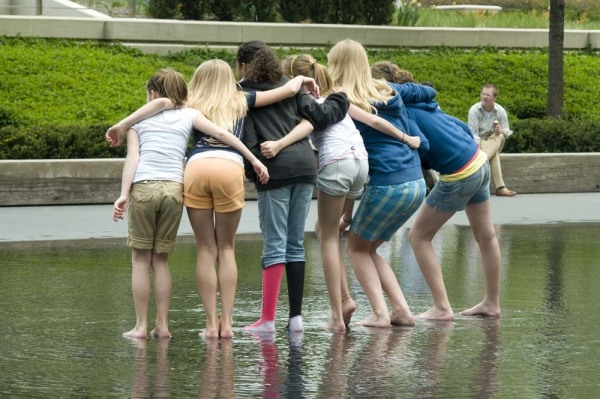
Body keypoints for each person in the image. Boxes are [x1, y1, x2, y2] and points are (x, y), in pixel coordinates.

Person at [108, 62, 320, 339]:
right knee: (227, 248)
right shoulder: (242, 98)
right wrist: (303, 77)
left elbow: (160, 103)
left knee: (206, 249)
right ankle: (228, 324)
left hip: (197, 167)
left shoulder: (190, 102)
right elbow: (287, 90)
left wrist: (122, 126)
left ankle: (210, 325)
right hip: (230, 167)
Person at [259, 54, 421, 333]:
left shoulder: (306, 102)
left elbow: (309, 125)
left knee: (327, 239)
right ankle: (345, 300)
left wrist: (278, 143)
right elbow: (374, 122)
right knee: (328, 228)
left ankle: (338, 312)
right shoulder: (338, 97)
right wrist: (407, 138)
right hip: (361, 163)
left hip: (336, 163)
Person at [371, 62, 502, 320]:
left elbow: (424, 144)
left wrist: (420, 159)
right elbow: (459, 126)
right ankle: (491, 303)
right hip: (477, 160)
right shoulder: (424, 101)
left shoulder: (401, 111)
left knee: (418, 236)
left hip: (460, 173)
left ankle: (442, 307)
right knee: (486, 235)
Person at [236, 40, 350, 334]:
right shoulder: (292, 84)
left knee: (274, 245)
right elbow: (314, 117)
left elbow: (248, 139)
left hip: (274, 170)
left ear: (245, 66)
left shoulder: (242, 94)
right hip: (305, 166)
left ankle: (268, 321)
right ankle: (296, 319)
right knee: (295, 244)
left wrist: (254, 171)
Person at [327, 39, 435, 328]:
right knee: (370, 247)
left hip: (389, 182)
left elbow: (354, 160)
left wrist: (346, 213)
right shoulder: (386, 89)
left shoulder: (342, 99)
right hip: (415, 182)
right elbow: (426, 92)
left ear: (336, 65)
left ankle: (379, 313)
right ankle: (401, 310)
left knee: (356, 246)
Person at [468, 84, 516, 197]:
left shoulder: (500, 111)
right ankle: (500, 188)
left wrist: (501, 130)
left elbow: (507, 131)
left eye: (488, 95)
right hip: (481, 141)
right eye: (483, 94)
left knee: (500, 136)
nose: (484, 97)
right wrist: (478, 147)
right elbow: (473, 134)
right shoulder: (474, 110)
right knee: (494, 155)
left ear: (494, 98)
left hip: (496, 139)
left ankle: (479, 163)